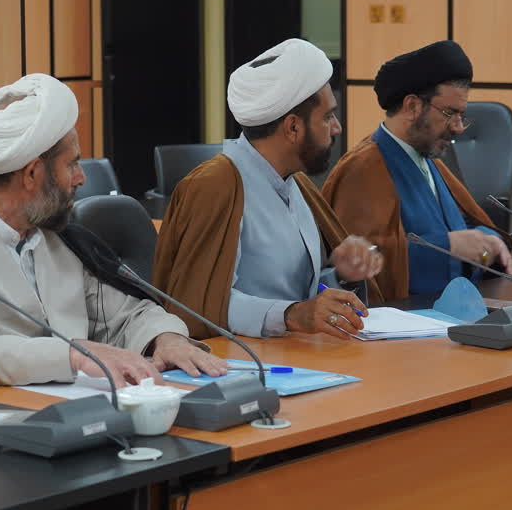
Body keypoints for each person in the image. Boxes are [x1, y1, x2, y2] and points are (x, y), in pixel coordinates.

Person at [0, 73, 226, 399]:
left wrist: (165, 338)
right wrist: (71, 355)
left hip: (83, 412)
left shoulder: (63, 238)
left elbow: (125, 315)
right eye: (72, 164)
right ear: (32, 174)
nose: (81, 178)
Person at [153, 38, 383, 339]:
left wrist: (342, 272)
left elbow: (301, 293)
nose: (337, 127)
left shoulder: (298, 184)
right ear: (293, 127)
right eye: (328, 116)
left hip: (303, 354)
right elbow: (195, 306)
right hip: (240, 360)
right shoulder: (215, 185)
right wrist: (290, 315)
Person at [322, 40, 512, 302]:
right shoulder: (363, 168)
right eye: (449, 113)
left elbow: (465, 227)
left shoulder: (430, 160)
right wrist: (448, 247)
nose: (458, 127)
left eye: (461, 115)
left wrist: (489, 241)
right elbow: (363, 266)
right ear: (412, 106)